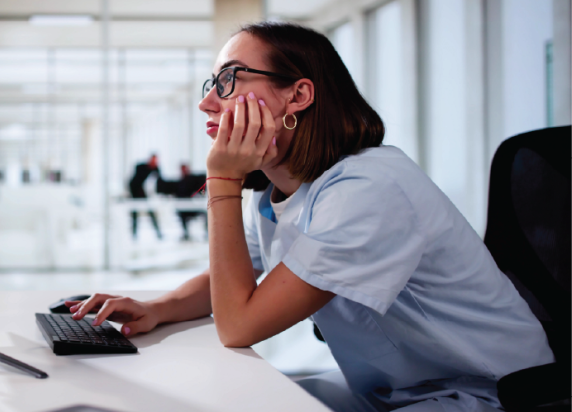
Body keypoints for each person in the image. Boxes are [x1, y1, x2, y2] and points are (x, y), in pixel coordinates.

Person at [68, 22, 553, 411]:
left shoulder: (369, 187)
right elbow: (235, 278)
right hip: (390, 391)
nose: (207, 102)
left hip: (487, 394)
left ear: (298, 96)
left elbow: (239, 325)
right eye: (211, 83)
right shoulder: (280, 191)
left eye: (228, 80)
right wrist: (159, 308)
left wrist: (222, 182)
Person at [128, 154, 162, 240]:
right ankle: (134, 235)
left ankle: (158, 233)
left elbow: (160, 180)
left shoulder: (155, 168)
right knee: (135, 214)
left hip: (142, 191)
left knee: (150, 212)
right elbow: (136, 180)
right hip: (134, 190)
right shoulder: (140, 167)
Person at [174, 164, 206, 241]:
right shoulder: (179, 183)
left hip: (193, 208)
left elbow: (201, 189)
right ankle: (186, 234)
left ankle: (207, 233)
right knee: (181, 215)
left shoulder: (193, 180)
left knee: (206, 215)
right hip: (183, 210)